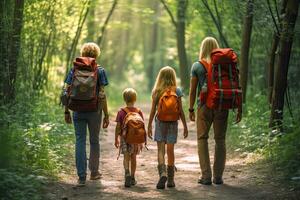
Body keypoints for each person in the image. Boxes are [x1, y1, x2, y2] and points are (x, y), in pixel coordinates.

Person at [189, 37, 242, 185]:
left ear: (202, 48)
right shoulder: (225, 66)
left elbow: (193, 91)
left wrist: (191, 108)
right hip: (221, 105)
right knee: (220, 139)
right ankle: (218, 177)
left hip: (204, 106)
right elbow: (237, 85)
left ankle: (206, 176)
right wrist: (239, 108)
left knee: (202, 138)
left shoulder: (197, 66)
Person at [64, 42, 109, 186]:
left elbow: (66, 92)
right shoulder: (100, 70)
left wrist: (66, 111)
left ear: (82, 53)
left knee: (80, 141)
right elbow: (102, 95)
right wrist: (106, 114)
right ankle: (94, 173)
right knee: (94, 141)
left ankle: (81, 176)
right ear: (96, 54)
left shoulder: (74, 70)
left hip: (77, 109)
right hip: (95, 111)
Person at [148, 66, 188, 189]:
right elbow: (180, 110)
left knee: (161, 149)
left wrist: (149, 125)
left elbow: (152, 110)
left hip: (160, 122)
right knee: (170, 150)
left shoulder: (157, 91)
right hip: (173, 123)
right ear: (173, 77)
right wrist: (185, 126)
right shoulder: (178, 90)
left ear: (160, 77)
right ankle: (170, 180)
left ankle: (163, 173)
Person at [114, 88, 145, 187]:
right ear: (135, 99)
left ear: (124, 99)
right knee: (134, 157)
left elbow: (118, 127)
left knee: (126, 155)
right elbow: (141, 127)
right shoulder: (138, 111)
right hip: (135, 138)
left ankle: (126, 172)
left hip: (124, 138)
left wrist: (116, 138)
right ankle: (132, 177)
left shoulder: (121, 112)